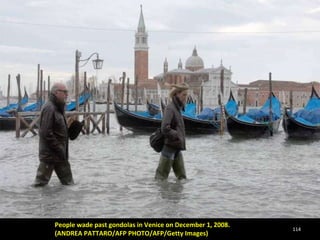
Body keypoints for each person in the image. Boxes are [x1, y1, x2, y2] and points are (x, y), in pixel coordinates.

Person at [33, 83, 74, 186]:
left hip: (60, 155)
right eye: (64, 92)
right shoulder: (49, 108)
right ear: (56, 93)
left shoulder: (58, 108)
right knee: (39, 185)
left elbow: (58, 130)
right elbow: (45, 133)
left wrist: (72, 130)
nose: (66, 95)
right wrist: (59, 147)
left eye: (67, 92)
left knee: (69, 185)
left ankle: (67, 202)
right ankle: (40, 202)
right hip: (50, 156)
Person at [155, 82, 189, 180]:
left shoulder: (178, 108)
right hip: (169, 148)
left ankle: (179, 196)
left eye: (186, 95)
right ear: (177, 94)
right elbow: (165, 128)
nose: (185, 98)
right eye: (184, 95)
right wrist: (177, 135)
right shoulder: (170, 108)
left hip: (177, 149)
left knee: (182, 178)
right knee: (160, 179)